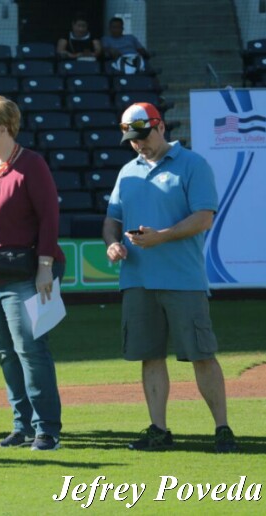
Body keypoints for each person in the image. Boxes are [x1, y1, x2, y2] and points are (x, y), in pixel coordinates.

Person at [103, 102, 238, 453]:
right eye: (131, 139)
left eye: (143, 136)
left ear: (161, 127)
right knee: (150, 356)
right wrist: (112, 244)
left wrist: (161, 236)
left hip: (183, 279)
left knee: (201, 355)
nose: (138, 144)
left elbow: (203, 217)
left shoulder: (193, 165)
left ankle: (222, 429)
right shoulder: (127, 172)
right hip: (137, 279)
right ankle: (159, 430)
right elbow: (112, 219)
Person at [0, 95, 65, 451]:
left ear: (3, 129)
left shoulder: (32, 165)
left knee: (31, 350)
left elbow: (50, 217)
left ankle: (46, 428)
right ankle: (21, 426)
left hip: (24, 275)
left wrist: (45, 267)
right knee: (6, 351)